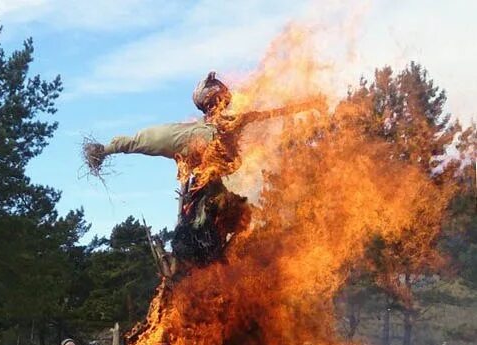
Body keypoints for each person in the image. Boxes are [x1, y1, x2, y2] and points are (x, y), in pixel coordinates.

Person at [84, 72, 318, 266]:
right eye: (221, 97)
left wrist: (304, 106)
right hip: (202, 191)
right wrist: (106, 149)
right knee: (208, 232)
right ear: (212, 100)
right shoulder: (193, 133)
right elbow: (145, 140)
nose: (226, 100)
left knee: (236, 220)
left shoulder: (225, 125)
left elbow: (264, 115)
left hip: (210, 190)